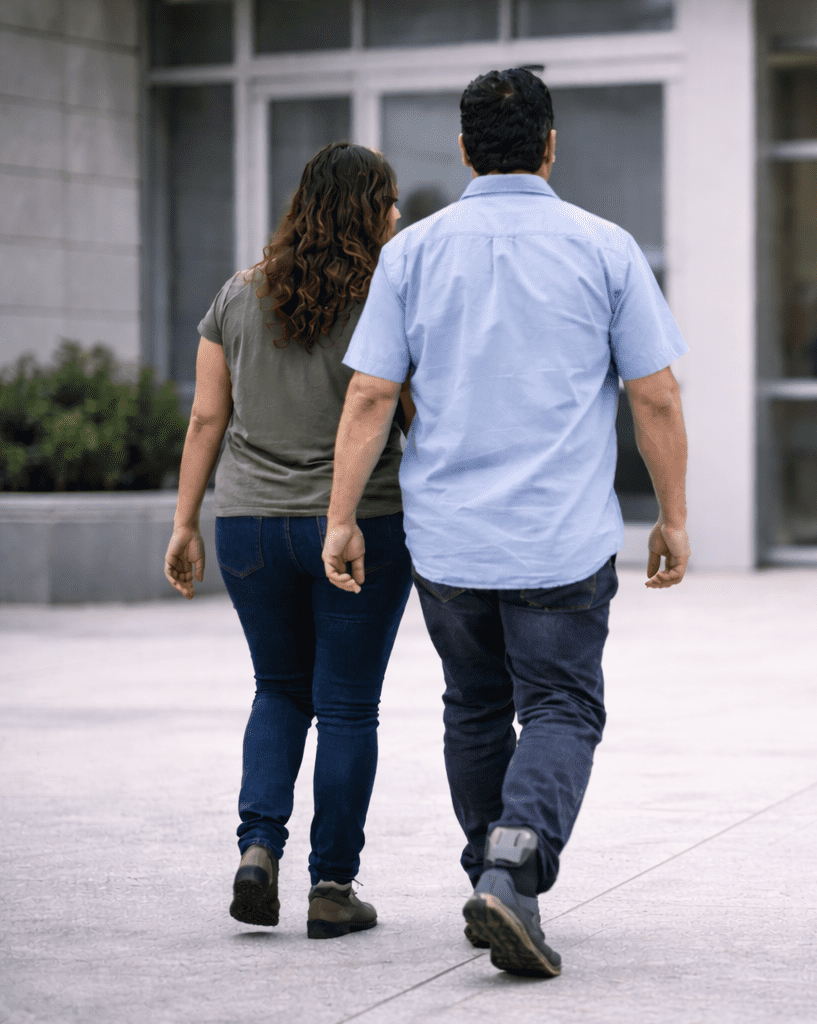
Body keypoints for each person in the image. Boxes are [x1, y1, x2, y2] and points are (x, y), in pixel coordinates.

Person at [320, 68, 690, 979]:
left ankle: (492, 874)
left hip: (449, 541)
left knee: (474, 705)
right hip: (561, 540)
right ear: (552, 146)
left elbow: (370, 395)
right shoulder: (605, 248)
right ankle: (512, 870)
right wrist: (673, 516)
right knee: (562, 705)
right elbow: (655, 396)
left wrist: (341, 519)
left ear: (462, 150)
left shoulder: (411, 255)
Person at [163, 143, 413, 940]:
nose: (397, 215)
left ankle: (257, 851)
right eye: (389, 201)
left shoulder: (238, 294)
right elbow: (404, 409)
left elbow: (206, 416)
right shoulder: (385, 298)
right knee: (347, 706)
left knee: (278, 689)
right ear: (366, 211)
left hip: (248, 526)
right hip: (360, 523)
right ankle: (332, 886)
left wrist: (184, 522)